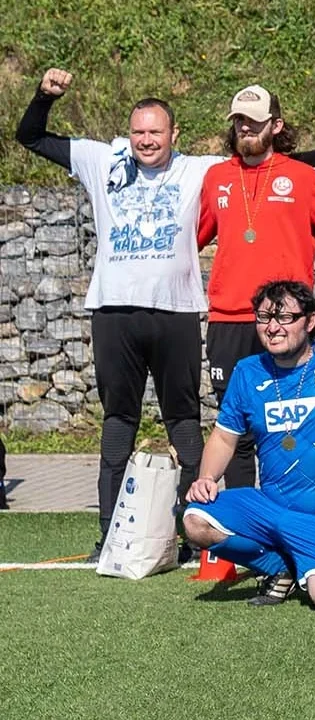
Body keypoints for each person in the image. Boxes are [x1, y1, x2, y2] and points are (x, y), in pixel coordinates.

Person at [14, 68, 209, 560]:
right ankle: (110, 536)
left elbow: (264, 164)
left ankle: (193, 535)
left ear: (174, 134)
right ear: (129, 133)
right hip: (115, 313)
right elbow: (29, 136)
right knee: (118, 420)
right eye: (138, 131)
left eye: (156, 132)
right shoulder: (102, 159)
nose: (146, 141)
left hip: (176, 312)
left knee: (183, 421)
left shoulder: (198, 169)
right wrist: (43, 96)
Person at [182, 281, 315, 611]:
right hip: (272, 512)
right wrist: (206, 477)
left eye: (284, 317)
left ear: (310, 321)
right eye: (264, 317)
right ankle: (277, 565)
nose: (272, 327)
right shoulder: (248, 372)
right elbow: (224, 436)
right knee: (196, 520)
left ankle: (305, 561)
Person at [199, 84, 315, 491]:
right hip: (229, 318)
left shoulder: (302, 178)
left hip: (286, 320)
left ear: (276, 125)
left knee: (291, 424)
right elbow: (189, 237)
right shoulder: (215, 178)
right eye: (239, 121)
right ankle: (244, 524)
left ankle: (291, 518)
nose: (245, 127)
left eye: (255, 121)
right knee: (238, 430)